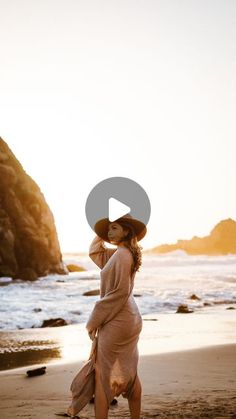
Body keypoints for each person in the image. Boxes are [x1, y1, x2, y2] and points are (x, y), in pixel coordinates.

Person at [86, 214, 147, 419]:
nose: (109, 233)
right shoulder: (122, 253)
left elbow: (119, 292)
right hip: (128, 318)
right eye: (108, 229)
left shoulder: (121, 255)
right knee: (130, 374)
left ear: (127, 231)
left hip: (118, 320)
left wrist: (94, 320)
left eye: (114, 228)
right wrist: (102, 231)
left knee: (102, 377)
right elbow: (95, 252)